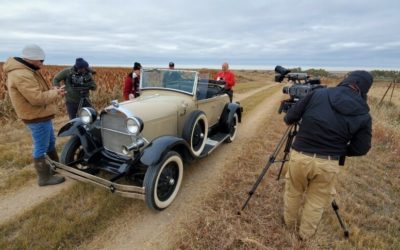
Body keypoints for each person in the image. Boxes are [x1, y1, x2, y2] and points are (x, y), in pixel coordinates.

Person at [282, 71, 373, 240]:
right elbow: (361, 148)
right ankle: (305, 236)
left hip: (301, 156)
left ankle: (288, 225)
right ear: (364, 89)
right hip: (329, 163)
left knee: (293, 191)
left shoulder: (318, 93)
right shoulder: (363, 114)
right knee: (316, 201)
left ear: (347, 80)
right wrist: (339, 150)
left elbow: (289, 118)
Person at [3, 44, 66, 186]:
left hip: (42, 114)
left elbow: (36, 92)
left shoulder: (28, 69)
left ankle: (55, 167)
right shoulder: (22, 74)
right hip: (36, 115)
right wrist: (56, 93)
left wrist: (52, 90)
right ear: (32, 59)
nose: (42, 64)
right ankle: (44, 178)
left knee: (50, 142)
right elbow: (36, 98)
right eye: (41, 61)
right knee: (41, 146)